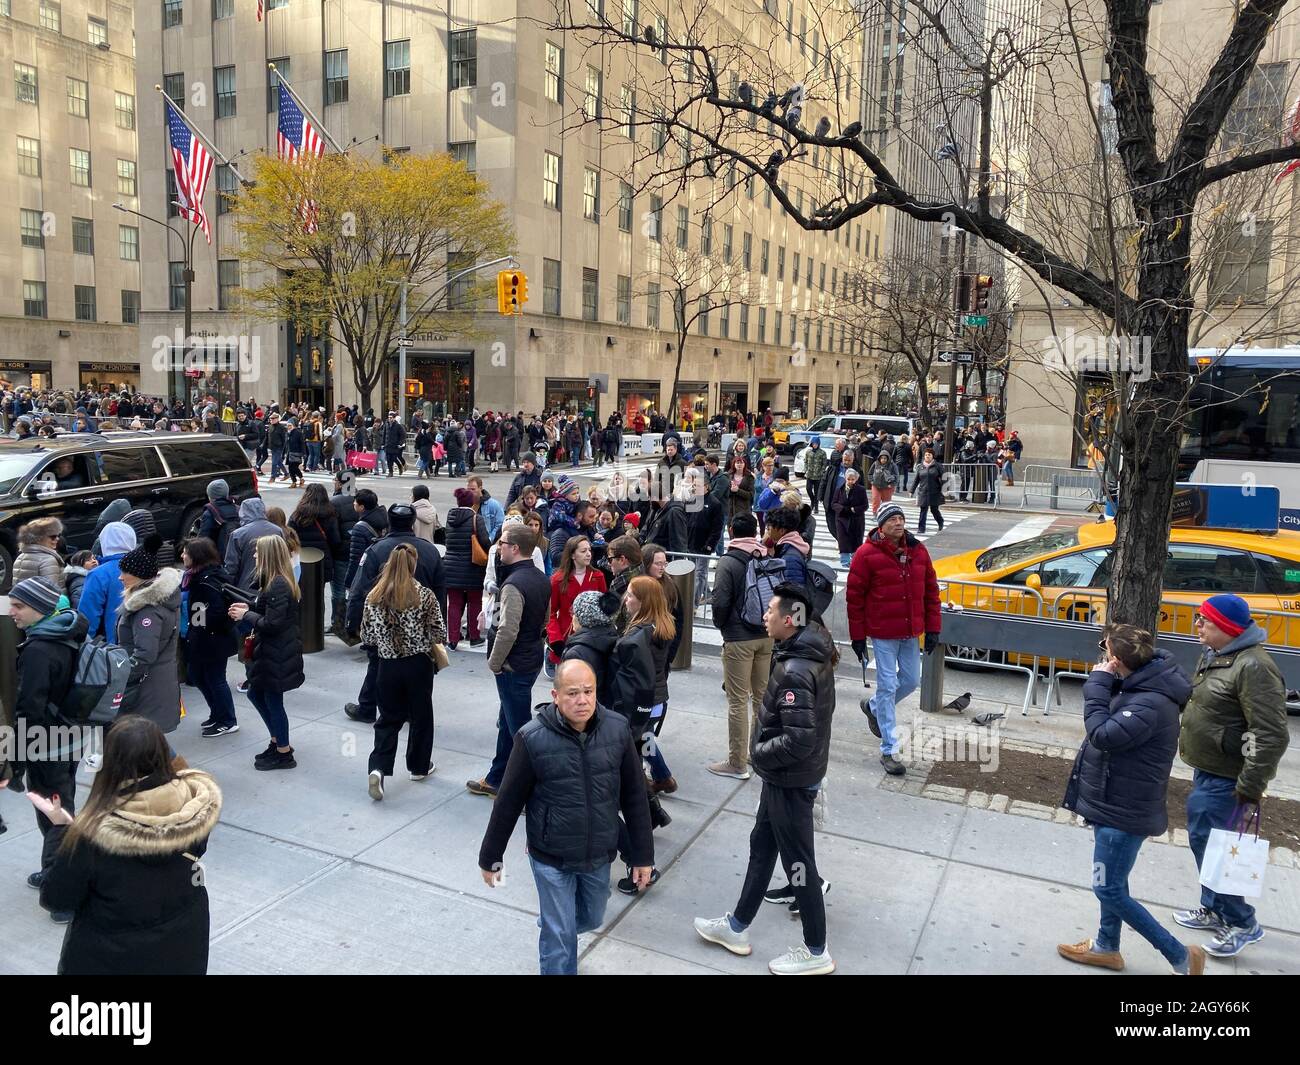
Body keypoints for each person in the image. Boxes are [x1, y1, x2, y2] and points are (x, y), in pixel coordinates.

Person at [694, 583, 837, 975]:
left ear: (790, 620)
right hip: (784, 781)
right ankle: (737, 926)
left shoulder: (795, 669)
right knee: (762, 846)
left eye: (770, 612)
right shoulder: (804, 651)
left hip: (789, 782)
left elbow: (798, 739)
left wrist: (756, 754)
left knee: (799, 867)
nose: (764, 617)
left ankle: (815, 950)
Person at [478, 658, 653, 975]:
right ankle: (555, 933)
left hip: (598, 854)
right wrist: (491, 856)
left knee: (590, 917)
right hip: (551, 856)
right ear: (555, 696)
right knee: (560, 939)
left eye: (589, 691)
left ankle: (554, 922)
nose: (582, 700)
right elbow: (507, 801)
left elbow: (635, 797)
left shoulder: (617, 730)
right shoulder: (531, 739)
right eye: (572, 693)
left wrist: (642, 855)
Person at [1057, 624, 1205, 975]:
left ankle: (1182, 957)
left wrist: (1096, 685)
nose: (1101, 658)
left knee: (1107, 889)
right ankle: (1107, 947)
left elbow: (1102, 735)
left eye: (1105, 652)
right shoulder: (1141, 686)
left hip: (1124, 814)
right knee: (1113, 883)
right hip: (1114, 803)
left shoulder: (1149, 704)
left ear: (1118, 660)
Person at [31, 716, 222, 974]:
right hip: (181, 949)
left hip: (111, 962)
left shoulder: (93, 838)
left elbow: (56, 898)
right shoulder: (194, 806)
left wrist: (61, 832)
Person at [1172, 594, 1290, 958]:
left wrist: (1250, 787)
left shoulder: (1254, 666)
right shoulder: (1217, 655)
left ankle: (1241, 922)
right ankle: (1213, 907)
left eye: (1204, 621)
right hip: (1208, 768)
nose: (1197, 626)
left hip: (1229, 778)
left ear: (1226, 627)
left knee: (1215, 848)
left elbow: (1270, 734)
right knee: (1205, 843)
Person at [6, 576, 89, 917]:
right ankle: (57, 873)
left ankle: (63, 891)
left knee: (56, 814)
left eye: (19, 606)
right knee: (57, 808)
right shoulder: (66, 631)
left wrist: (15, 759)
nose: (12, 612)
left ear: (39, 609)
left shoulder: (40, 649)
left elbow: (29, 709)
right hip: (69, 737)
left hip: (47, 744)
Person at [845, 502, 941, 777]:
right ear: (881, 526)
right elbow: (854, 599)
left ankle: (873, 707)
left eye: (901, 518)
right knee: (887, 685)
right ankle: (890, 749)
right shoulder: (865, 554)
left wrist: (933, 628)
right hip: (883, 632)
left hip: (911, 631)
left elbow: (931, 591)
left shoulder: (918, 551)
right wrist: (858, 637)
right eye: (892, 520)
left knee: (911, 680)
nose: (899, 523)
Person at [466, 524, 551, 798]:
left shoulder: (514, 584)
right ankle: (496, 778)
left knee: (520, 732)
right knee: (508, 721)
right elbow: (545, 619)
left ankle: (531, 791)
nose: (498, 546)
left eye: (502, 543)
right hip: (531, 657)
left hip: (513, 664)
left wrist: (494, 662)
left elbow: (507, 629)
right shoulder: (540, 578)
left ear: (515, 548)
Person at [344, 503, 446, 722]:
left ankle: (368, 707)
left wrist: (352, 623)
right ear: (412, 523)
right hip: (419, 631)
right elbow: (440, 594)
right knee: (417, 672)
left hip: (384, 627)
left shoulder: (375, 550)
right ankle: (409, 710)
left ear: (389, 523)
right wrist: (439, 629)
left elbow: (359, 590)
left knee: (377, 666)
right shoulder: (429, 551)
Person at [361, 544, 447, 800]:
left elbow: (366, 635)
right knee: (421, 716)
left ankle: (378, 768)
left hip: (387, 665)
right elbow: (439, 632)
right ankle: (418, 767)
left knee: (387, 719)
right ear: (413, 565)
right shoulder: (424, 595)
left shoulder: (374, 596)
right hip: (418, 664)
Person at [708, 514, 774, 780]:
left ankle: (737, 762)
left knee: (737, 701)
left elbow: (721, 600)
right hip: (765, 635)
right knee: (761, 699)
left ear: (731, 530)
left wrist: (721, 625)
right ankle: (757, 754)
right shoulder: (763, 555)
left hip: (738, 638)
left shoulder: (729, 561)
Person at [228, 536, 303, 770]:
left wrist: (245, 616)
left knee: (271, 699)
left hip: (276, 652)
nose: (254, 556)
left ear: (268, 555)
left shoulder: (277, 583)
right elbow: (268, 609)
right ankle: (277, 741)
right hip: (272, 651)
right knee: (257, 695)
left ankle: (283, 751)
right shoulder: (274, 580)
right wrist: (249, 608)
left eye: (257, 553)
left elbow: (273, 623)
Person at [116, 535, 183, 739]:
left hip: (148, 687)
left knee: (144, 744)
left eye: (125, 572)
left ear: (139, 575)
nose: (120, 577)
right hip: (158, 681)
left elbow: (145, 653)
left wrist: (123, 676)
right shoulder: (159, 600)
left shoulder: (147, 610)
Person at [181, 538, 239, 738]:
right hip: (211, 638)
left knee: (214, 678)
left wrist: (198, 626)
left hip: (211, 640)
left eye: (186, 553)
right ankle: (218, 713)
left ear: (196, 556)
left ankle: (227, 720)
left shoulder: (204, 582)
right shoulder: (208, 575)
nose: (182, 556)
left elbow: (213, 611)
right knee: (198, 675)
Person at [547, 535, 607, 667]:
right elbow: (550, 613)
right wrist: (555, 639)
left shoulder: (598, 576)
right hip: (566, 638)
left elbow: (604, 610)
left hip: (592, 639)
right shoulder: (557, 580)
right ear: (573, 555)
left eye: (589, 550)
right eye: (583, 551)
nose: (588, 554)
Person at [444, 487, 491, 649]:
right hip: (472, 566)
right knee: (474, 601)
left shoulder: (450, 518)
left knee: (454, 603)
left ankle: (453, 639)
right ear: (471, 502)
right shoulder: (475, 519)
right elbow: (485, 541)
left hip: (450, 567)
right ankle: (474, 636)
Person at [562, 590, 622, 715]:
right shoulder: (615, 639)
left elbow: (570, 698)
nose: (572, 617)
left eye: (574, 613)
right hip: (606, 714)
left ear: (583, 618)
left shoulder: (576, 654)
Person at [223, 497, 284, 592]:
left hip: (246, 588)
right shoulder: (277, 530)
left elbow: (231, 567)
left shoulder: (238, 534)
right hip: (272, 584)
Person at [345, 488, 389, 588]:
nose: (353, 503)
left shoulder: (360, 527)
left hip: (367, 572)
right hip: (383, 569)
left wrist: (349, 582)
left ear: (362, 507)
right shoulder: (385, 517)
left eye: (355, 502)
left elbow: (355, 558)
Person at [12, 517, 65, 590]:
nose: (57, 539)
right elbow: (50, 591)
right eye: (53, 536)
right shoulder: (48, 560)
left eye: (58, 535)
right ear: (39, 539)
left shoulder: (20, 557)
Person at [831, 466, 868, 567]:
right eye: (848, 479)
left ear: (856, 479)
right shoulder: (839, 489)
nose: (850, 481)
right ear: (845, 478)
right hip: (842, 519)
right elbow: (834, 503)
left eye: (853, 479)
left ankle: (855, 559)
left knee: (856, 539)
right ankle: (845, 561)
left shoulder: (861, 490)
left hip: (856, 519)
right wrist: (842, 509)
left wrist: (854, 509)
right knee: (843, 540)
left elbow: (865, 505)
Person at [764, 506, 810, 586]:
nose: (767, 531)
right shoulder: (787, 547)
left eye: (769, 528)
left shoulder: (790, 558)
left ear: (781, 530)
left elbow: (794, 590)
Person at [198, 479, 241, 558]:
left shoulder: (210, 513)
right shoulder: (238, 509)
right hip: (239, 553)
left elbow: (202, 539)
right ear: (226, 493)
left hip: (219, 557)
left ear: (210, 496)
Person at [914, 448, 946, 535]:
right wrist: (911, 490)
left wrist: (944, 488)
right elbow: (917, 479)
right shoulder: (921, 466)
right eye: (926, 455)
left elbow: (944, 477)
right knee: (923, 510)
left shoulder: (938, 466)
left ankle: (940, 521)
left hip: (934, 491)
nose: (927, 456)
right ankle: (921, 528)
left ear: (932, 456)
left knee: (934, 510)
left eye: (929, 455)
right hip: (923, 491)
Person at [868, 451, 898, 516]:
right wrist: (872, 481)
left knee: (886, 503)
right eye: (882, 458)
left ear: (888, 459)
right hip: (876, 486)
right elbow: (870, 473)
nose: (883, 460)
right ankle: (875, 513)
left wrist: (892, 484)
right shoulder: (876, 464)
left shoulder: (892, 465)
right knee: (876, 500)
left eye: (885, 458)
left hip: (887, 487)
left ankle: (885, 514)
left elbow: (896, 476)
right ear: (879, 458)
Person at [802, 438, 827, 513]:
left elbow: (824, 463)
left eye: (816, 444)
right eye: (813, 444)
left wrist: (822, 472)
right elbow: (805, 461)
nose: (814, 445)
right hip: (809, 475)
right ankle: (812, 500)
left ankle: (816, 506)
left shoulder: (822, 453)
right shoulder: (808, 452)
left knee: (816, 491)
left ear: (818, 444)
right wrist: (805, 470)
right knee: (808, 489)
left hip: (818, 476)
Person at [383, 410, 407, 476]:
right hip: (387, 445)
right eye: (389, 417)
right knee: (388, 459)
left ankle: (400, 467)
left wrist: (400, 443)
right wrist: (383, 443)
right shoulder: (386, 424)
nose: (390, 419)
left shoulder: (398, 426)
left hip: (395, 445)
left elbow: (403, 435)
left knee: (394, 458)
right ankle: (390, 472)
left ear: (394, 418)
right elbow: (384, 434)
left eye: (391, 417)